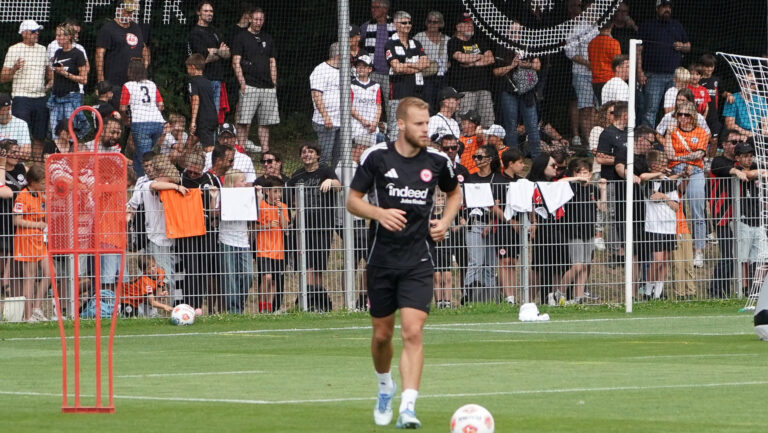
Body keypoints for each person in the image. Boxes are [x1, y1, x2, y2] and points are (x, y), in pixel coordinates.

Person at [347, 97, 460, 429]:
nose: (427, 130)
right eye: (420, 124)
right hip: (381, 260)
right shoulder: (376, 157)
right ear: (401, 125)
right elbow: (353, 200)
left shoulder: (438, 160)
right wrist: (379, 213)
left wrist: (446, 221)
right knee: (382, 335)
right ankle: (385, 387)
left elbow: (454, 193)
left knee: (412, 331)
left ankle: (408, 408)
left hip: (419, 259)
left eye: (428, 123)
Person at [287, 143, 340, 312]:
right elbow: (289, 198)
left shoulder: (326, 171)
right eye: (303, 152)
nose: (307, 154)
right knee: (307, 266)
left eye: (310, 151)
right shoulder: (297, 175)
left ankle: (317, 301)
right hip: (303, 228)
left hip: (323, 226)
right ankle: (308, 302)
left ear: (317, 155)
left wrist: (330, 181)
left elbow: (339, 186)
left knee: (318, 267)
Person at [663, 101, 709, 268]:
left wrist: (681, 158)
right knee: (671, 208)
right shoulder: (673, 132)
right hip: (674, 171)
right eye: (679, 114)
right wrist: (668, 134)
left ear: (693, 117)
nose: (682, 117)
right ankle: (672, 245)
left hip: (695, 171)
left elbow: (700, 153)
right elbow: (669, 153)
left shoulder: (701, 132)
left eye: (686, 115)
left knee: (697, 209)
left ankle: (699, 251)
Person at [1, 20, 51, 159]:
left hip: (40, 97)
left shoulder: (42, 49)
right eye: (33, 31)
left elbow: (49, 72)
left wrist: (49, 84)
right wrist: (15, 68)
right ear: (23, 33)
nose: (37, 34)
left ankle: (35, 163)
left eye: (37, 31)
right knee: (17, 132)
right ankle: (18, 162)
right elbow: (3, 78)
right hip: (21, 97)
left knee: (40, 134)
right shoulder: (14, 49)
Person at [178, 150, 221, 311]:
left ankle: (201, 307)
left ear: (202, 169)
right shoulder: (179, 178)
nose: (193, 175)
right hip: (186, 230)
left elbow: (219, 205)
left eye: (196, 172)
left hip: (206, 231)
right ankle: (189, 305)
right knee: (191, 268)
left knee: (203, 269)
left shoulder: (211, 179)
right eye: (190, 171)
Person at [232, 7, 278, 153]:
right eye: (256, 19)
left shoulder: (268, 38)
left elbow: (272, 62)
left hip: (267, 87)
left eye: (261, 20)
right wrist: (242, 82)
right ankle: (241, 150)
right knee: (243, 121)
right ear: (250, 19)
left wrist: (274, 83)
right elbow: (235, 62)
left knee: (265, 123)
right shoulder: (241, 37)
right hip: (249, 85)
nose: (258, 22)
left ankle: (265, 151)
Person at [637, 0, 690, 126]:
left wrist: (682, 46)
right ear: (657, 8)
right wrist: (639, 72)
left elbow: (688, 46)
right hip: (653, 75)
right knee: (651, 109)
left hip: (675, 77)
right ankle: (646, 136)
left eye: (669, 7)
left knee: (676, 108)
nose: (667, 10)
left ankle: (673, 135)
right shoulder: (647, 26)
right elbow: (638, 50)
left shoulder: (677, 25)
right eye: (664, 7)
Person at [463, 145, 503, 302]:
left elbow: (498, 206)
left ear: (489, 159)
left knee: (489, 265)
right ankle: (468, 297)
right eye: (475, 157)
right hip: (475, 223)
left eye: (480, 157)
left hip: (492, 225)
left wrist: (492, 223)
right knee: (476, 263)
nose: (476, 160)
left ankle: (489, 299)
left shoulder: (497, 179)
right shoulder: (471, 178)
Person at [559, 159, 602, 302]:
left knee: (585, 265)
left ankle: (578, 297)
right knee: (577, 266)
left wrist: (603, 189)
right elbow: (558, 183)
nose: (583, 175)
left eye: (585, 172)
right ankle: (560, 292)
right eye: (579, 172)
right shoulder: (570, 186)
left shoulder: (593, 189)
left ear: (590, 173)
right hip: (574, 231)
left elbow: (602, 207)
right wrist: (576, 178)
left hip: (588, 231)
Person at [641, 149, 682, 299]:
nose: (665, 165)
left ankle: (658, 294)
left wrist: (664, 197)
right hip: (654, 227)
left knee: (665, 261)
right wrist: (663, 197)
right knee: (657, 260)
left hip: (669, 227)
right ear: (653, 165)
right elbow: (652, 196)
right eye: (661, 163)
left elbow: (675, 206)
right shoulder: (648, 182)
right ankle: (647, 291)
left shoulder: (669, 183)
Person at [95, 1, 150, 108]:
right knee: (117, 114)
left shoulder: (136, 27)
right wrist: (101, 80)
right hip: (115, 83)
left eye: (131, 12)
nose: (129, 15)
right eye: (127, 12)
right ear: (118, 10)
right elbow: (99, 54)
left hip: (135, 83)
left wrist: (145, 63)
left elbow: (143, 46)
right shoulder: (108, 28)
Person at [384, 10, 430, 140]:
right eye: (404, 23)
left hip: (416, 93)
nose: (408, 25)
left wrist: (407, 65)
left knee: (414, 126)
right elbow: (397, 68)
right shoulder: (390, 43)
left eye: (409, 23)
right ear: (396, 24)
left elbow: (426, 63)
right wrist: (416, 66)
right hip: (399, 93)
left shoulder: (416, 43)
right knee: (396, 128)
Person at [13, 164, 48, 322]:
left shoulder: (41, 195)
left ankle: (36, 308)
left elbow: (43, 214)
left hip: (39, 240)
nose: (44, 185)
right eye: (42, 182)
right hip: (26, 240)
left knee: (49, 273)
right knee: (30, 277)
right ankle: (27, 316)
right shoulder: (22, 196)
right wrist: (37, 225)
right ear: (32, 182)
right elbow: (16, 220)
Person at [708, 130, 742, 298]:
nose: (737, 145)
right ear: (724, 145)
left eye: (739, 142)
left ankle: (734, 291)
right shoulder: (718, 161)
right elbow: (725, 170)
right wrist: (737, 171)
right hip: (722, 216)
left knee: (740, 256)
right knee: (728, 255)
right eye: (734, 142)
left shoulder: (742, 161)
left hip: (742, 217)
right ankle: (715, 292)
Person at [447, 13, 495, 128]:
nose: (470, 25)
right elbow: (461, 58)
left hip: (483, 88)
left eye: (471, 23)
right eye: (466, 23)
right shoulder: (453, 42)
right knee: (466, 124)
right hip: (465, 90)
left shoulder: (479, 40)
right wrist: (480, 56)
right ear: (458, 27)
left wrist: (473, 63)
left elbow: (491, 59)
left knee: (487, 123)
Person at [493, 42, 541, 156]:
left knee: (532, 125)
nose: (517, 35)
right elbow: (495, 72)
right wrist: (512, 66)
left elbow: (538, 65)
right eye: (513, 32)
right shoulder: (502, 48)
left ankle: (537, 156)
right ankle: (513, 157)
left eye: (519, 32)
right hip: (509, 92)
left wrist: (526, 65)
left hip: (527, 93)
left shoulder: (529, 46)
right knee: (511, 126)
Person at [119, 59, 165, 177]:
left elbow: (123, 108)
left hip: (140, 123)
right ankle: (137, 177)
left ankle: (145, 181)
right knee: (140, 154)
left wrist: (125, 118)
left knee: (145, 157)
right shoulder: (152, 84)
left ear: (130, 72)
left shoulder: (128, 86)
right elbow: (161, 105)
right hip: (157, 122)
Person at [596, 101, 628, 262]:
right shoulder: (607, 134)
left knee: (626, 214)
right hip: (612, 180)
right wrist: (620, 161)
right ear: (625, 115)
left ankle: (625, 247)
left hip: (626, 181)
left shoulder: (630, 132)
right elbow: (600, 158)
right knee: (614, 215)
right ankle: (615, 251)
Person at [219, 169, 254, 314]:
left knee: (248, 275)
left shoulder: (248, 196)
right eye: (242, 181)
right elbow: (215, 212)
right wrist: (215, 197)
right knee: (230, 277)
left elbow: (253, 214)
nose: (245, 183)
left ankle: (238, 304)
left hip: (243, 241)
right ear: (233, 183)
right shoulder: (223, 195)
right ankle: (233, 310)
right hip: (227, 240)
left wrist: (257, 196)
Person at [564, 0, 597, 148]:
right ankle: (590, 143)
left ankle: (595, 141)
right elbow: (570, 53)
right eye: (591, 8)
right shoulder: (577, 27)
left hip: (598, 75)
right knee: (585, 109)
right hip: (581, 73)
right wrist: (588, 64)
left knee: (595, 109)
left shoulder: (598, 27)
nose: (594, 11)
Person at [187, 1, 230, 115]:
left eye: (211, 11)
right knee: (203, 115)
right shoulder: (195, 33)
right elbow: (203, 60)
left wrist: (214, 51)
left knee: (214, 116)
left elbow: (228, 54)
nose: (209, 13)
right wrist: (219, 52)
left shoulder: (215, 31)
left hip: (217, 80)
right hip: (203, 80)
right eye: (206, 11)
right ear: (198, 12)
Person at [254, 175, 289, 313]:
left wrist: (280, 212)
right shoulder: (261, 205)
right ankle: (262, 307)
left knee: (274, 280)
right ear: (267, 191)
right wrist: (267, 226)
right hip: (263, 249)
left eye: (280, 191)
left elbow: (286, 227)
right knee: (266, 277)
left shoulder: (283, 206)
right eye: (275, 191)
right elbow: (253, 227)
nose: (278, 194)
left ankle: (269, 308)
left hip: (278, 250)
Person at [48, 23, 89, 140]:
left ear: (69, 37)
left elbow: (84, 79)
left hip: (70, 97)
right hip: (56, 97)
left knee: (69, 129)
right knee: (55, 129)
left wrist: (65, 73)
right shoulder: (58, 53)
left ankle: (71, 154)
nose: (58, 38)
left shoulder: (78, 54)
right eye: (57, 35)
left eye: (60, 36)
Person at [497, 148, 526, 304]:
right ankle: (508, 296)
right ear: (510, 163)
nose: (523, 165)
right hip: (503, 227)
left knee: (513, 261)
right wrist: (509, 221)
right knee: (504, 261)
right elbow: (493, 206)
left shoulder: (520, 181)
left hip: (518, 227)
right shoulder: (498, 180)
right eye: (520, 162)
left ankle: (513, 296)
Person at [0, 140, 26, 298]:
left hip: (18, 218)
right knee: (3, 256)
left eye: (18, 151)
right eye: (13, 152)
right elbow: (3, 190)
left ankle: (7, 285)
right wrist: (1, 164)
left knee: (13, 254)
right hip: (2, 220)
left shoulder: (22, 168)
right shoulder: (0, 169)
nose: (17, 155)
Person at [310, 43, 343, 165]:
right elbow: (316, 95)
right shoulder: (320, 70)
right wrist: (325, 116)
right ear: (338, 55)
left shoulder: (345, 70)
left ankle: (335, 182)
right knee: (324, 156)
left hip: (342, 121)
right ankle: (322, 181)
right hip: (326, 121)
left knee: (338, 158)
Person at [359, 0, 396, 110]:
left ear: (385, 9)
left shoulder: (395, 26)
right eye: (372, 7)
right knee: (370, 104)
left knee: (391, 105)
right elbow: (355, 43)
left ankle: (392, 127)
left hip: (390, 73)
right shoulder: (366, 26)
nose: (373, 10)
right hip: (372, 72)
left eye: (376, 7)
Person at [413, 11, 451, 113]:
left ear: (440, 24)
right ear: (426, 23)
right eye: (430, 21)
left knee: (442, 105)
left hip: (443, 79)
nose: (432, 24)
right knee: (427, 105)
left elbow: (452, 59)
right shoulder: (419, 37)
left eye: (435, 22)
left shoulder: (448, 40)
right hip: (426, 78)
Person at [185, 53, 218, 152]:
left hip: (203, 119)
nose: (187, 71)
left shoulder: (193, 81)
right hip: (212, 116)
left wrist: (193, 121)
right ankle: (183, 164)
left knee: (209, 148)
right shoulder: (208, 82)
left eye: (188, 68)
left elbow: (195, 99)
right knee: (190, 142)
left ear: (193, 67)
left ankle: (215, 163)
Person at [722, 73, 768, 139]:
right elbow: (730, 125)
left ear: (756, 84)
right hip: (738, 133)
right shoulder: (733, 98)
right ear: (741, 83)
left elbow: (765, 121)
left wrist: (764, 129)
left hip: (756, 134)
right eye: (746, 82)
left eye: (752, 83)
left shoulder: (761, 100)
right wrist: (747, 133)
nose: (748, 86)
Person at [350, 55, 382, 144]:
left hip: (372, 127)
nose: (360, 69)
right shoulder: (351, 85)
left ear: (370, 69)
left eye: (364, 67)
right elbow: (350, 107)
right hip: (356, 127)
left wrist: (375, 123)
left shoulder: (376, 86)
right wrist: (363, 121)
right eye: (358, 66)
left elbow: (378, 106)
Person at [588, 22, 621, 106]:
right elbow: (618, 63)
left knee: (601, 108)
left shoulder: (592, 43)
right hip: (610, 81)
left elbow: (590, 60)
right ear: (612, 25)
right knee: (612, 109)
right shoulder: (614, 43)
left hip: (596, 82)